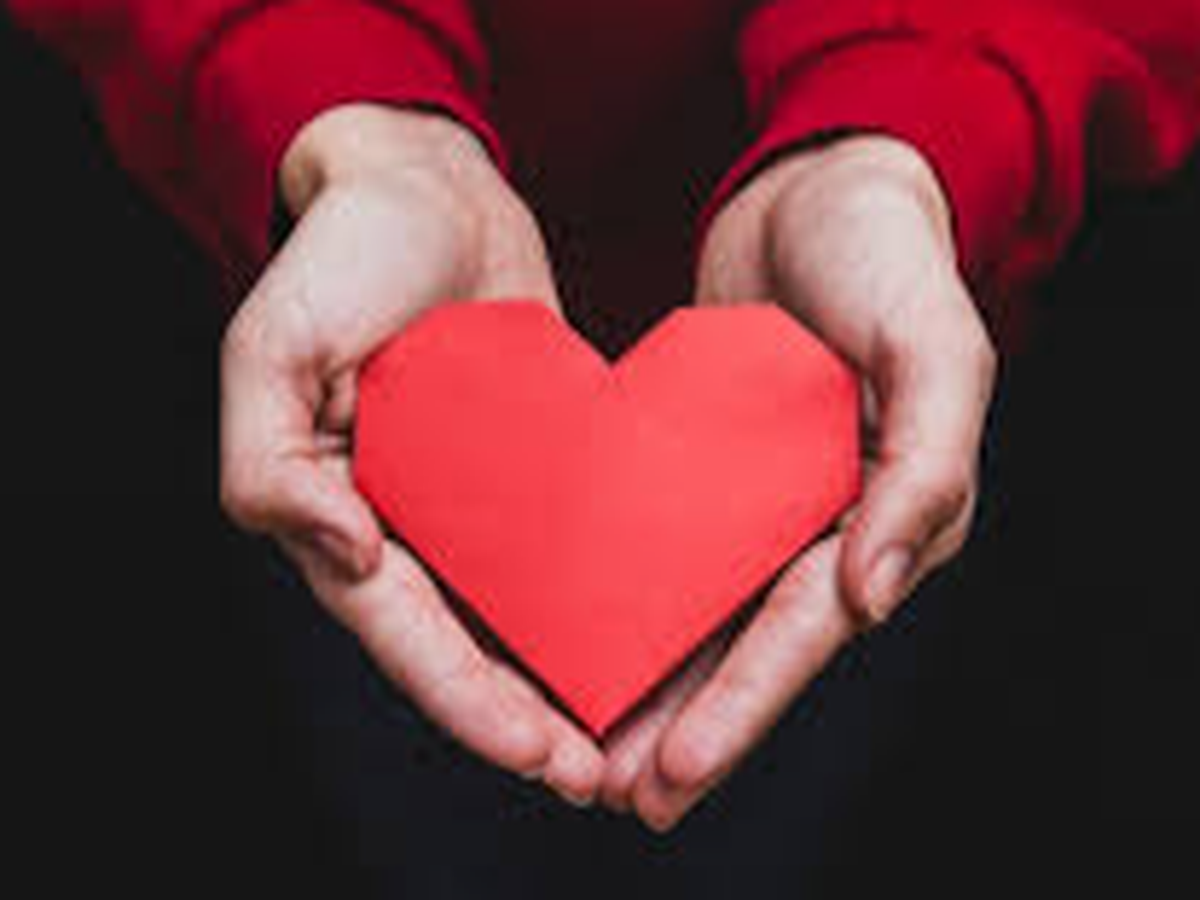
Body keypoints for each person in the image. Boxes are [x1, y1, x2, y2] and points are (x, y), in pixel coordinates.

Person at [11, 0, 1199, 873]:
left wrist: (912, 120)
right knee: (414, 786)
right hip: (371, 374)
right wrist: (340, 102)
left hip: (849, 392)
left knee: (778, 776)